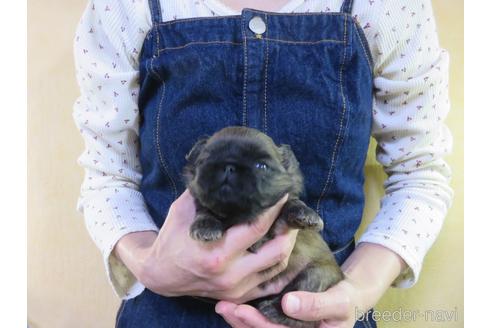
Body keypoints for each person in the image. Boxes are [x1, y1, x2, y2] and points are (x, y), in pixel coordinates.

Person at [72, 0, 453, 327]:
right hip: (167, 308)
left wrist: (354, 292)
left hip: (320, 305)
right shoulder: (123, 8)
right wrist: (147, 264)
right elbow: (108, 176)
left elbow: (420, 174)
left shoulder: (388, 7)